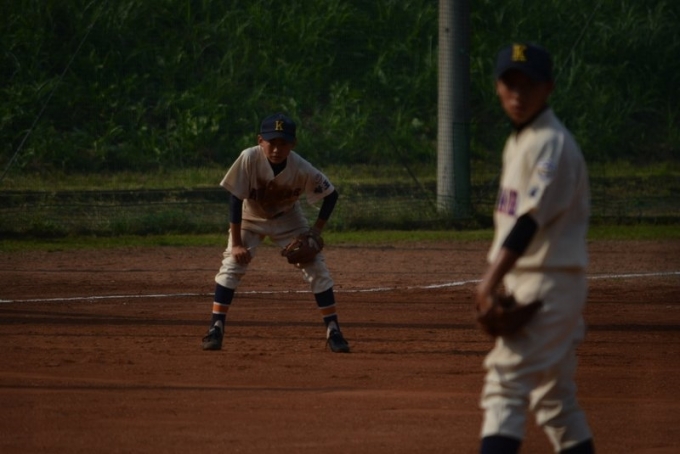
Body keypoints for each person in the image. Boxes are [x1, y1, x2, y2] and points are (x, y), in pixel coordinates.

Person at [474, 43, 595, 453]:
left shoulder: (550, 142)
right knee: (555, 401)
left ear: (549, 88)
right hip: (541, 282)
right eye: (510, 84)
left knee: (504, 387)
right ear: (497, 87)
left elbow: (529, 221)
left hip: (547, 284)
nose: (518, 94)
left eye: (529, 85)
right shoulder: (522, 140)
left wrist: (488, 282)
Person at [201, 112, 350, 353]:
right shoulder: (249, 158)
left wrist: (314, 232)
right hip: (250, 217)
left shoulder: (301, 167)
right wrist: (237, 244)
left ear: (293, 144)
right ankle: (215, 327)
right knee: (232, 265)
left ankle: (333, 329)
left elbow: (331, 195)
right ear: (260, 140)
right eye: (272, 142)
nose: (277, 149)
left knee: (316, 268)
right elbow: (235, 199)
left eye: (284, 143)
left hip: (289, 218)